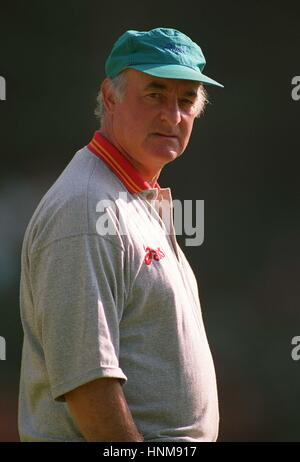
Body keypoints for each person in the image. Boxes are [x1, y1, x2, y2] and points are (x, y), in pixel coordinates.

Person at [18, 27, 223, 442]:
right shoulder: (87, 204)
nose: (172, 115)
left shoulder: (129, 197)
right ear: (109, 97)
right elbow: (87, 380)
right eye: (155, 94)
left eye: (186, 100)